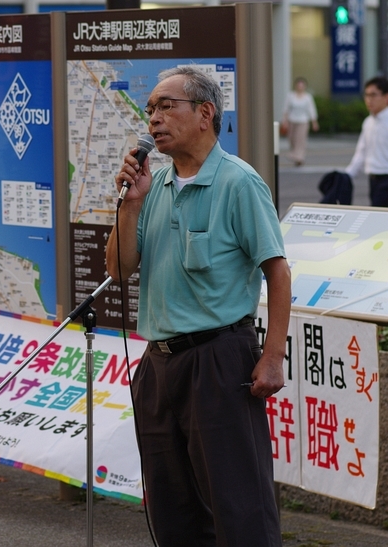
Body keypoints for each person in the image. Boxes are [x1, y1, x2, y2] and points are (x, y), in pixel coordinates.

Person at [105, 66, 291, 546]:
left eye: (167, 106)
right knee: (172, 507)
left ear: (205, 113)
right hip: (158, 365)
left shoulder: (238, 183)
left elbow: (278, 271)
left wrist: (272, 356)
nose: (154, 120)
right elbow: (120, 270)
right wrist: (130, 204)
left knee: (238, 504)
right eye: (150, 110)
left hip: (219, 360)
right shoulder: (154, 186)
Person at [345, 77, 388, 207]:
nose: (369, 100)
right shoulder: (368, 122)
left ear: (386, 97)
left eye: (374, 95)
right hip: (373, 180)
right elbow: (361, 152)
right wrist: (347, 175)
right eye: (367, 95)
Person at [280, 77, 318, 166]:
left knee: (300, 140)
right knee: (292, 139)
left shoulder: (308, 97)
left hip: (303, 121)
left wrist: (314, 122)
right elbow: (286, 109)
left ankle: (299, 157)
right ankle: (295, 155)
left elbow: (311, 110)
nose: (300, 87)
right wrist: (284, 121)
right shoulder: (290, 96)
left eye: (302, 85)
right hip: (292, 120)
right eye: (299, 85)